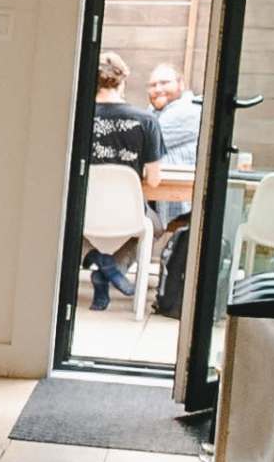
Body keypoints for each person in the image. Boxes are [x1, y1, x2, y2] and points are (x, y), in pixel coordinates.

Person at [83, 54, 161, 310]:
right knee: (155, 225)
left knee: (67, 224)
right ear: (122, 82)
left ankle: (96, 260)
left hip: (83, 211)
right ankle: (111, 267)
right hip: (126, 214)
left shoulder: (77, 117)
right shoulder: (147, 121)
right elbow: (155, 179)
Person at [145, 62, 200, 313]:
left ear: (181, 84)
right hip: (156, 190)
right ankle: (108, 268)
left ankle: (107, 267)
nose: (157, 89)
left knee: (134, 213)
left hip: (180, 197)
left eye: (164, 82)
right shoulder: (156, 112)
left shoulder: (188, 110)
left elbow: (146, 140)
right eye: (153, 84)